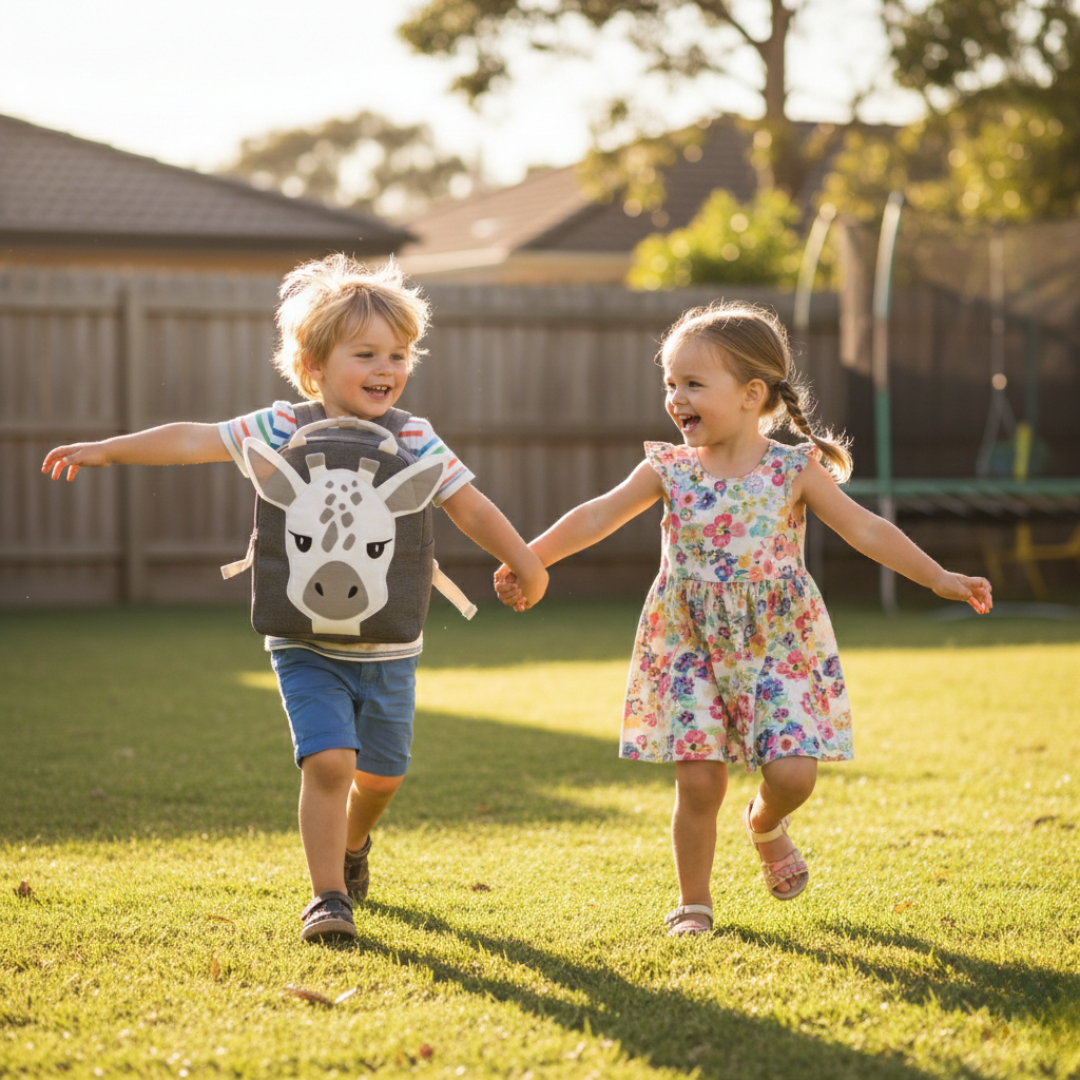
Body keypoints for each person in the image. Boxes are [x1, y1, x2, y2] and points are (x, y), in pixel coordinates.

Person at [43, 255, 548, 944]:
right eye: (365, 353)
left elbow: (468, 505)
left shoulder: (413, 438)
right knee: (330, 761)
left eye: (399, 354)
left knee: (381, 777)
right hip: (303, 638)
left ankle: (352, 845)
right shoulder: (280, 427)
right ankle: (328, 898)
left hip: (391, 643)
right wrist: (110, 448)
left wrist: (525, 560)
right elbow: (193, 439)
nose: (387, 367)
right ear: (312, 365)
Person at [495, 301, 992, 936]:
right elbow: (596, 516)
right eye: (670, 383)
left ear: (752, 393)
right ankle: (693, 904)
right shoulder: (667, 469)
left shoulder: (793, 469)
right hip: (689, 641)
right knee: (700, 781)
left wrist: (939, 576)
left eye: (693, 384)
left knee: (793, 772)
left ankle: (764, 822)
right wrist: (529, 558)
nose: (676, 397)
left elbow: (866, 529)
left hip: (777, 641)